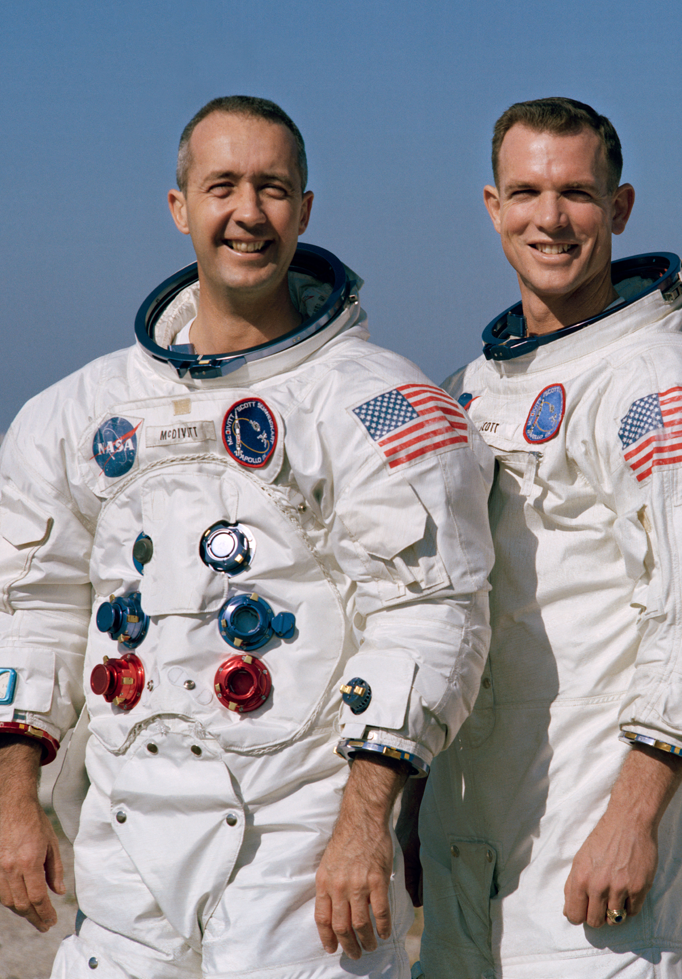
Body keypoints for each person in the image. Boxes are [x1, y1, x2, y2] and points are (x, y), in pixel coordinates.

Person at [0, 96, 494, 979]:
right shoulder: (77, 412)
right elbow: (31, 602)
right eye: (221, 185)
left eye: (272, 189)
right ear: (179, 206)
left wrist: (362, 824)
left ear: (304, 212)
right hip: (123, 840)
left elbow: (430, 614)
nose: (247, 212)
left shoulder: (381, 402)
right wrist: (14, 803)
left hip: (299, 846)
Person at [404, 97, 682, 978]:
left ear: (620, 208)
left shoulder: (673, 387)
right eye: (527, 192)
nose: (551, 217)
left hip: (594, 828)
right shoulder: (470, 390)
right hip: (470, 835)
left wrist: (633, 822)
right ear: (493, 207)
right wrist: (419, 803)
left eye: (576, 192)